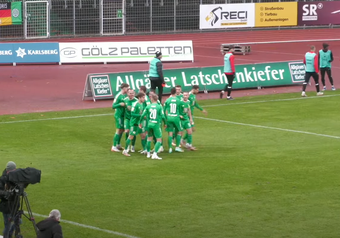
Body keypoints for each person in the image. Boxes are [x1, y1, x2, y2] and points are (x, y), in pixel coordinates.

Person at [139, 93, 166, 160]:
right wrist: (165, 123)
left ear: (152, 99)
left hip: (149, 124)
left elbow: (142, 115)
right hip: (156, 124)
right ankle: (154, 154)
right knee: (159, 140)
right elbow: (163, 116)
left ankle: (148, 153)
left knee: (149, 139)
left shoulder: (148, 106)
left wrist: (140, 122)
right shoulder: (159, 106)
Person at [122, 92, 146, 157]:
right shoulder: (135, 104)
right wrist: (141, 115)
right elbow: (132, 114)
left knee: (143, 135)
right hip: (134, 123)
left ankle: (145, 150)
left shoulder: (142, 104)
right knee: (131, 136)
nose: (144, 99)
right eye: (143, 97)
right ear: (139, 98)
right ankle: (125, 150)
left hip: (139, 123)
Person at [164, 87, 184, 153]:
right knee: (179, 132)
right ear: (175, 92)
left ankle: (170, 148)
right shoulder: (178, 100)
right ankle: (177, 147)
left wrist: (166, 118)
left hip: (169, 117)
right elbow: (181, 110)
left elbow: (165, 110)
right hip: (176, 118)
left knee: (170, 133)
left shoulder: (167, 100)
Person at [111, 83, 129, 152]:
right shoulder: (118, 96)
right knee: (118, 130)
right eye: (127, 88)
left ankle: (118, 144)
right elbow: (113, 106)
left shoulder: (124, 95)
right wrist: (120, 104)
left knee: (122, 130)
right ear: (124, 88)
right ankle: (114, 146)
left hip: (122, 115)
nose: (127, 89)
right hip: (118, 115)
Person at [1, 161, 17, 238]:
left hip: (14, 205)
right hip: (6, 206)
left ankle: (9, 235)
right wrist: (6, 193)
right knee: (8, 225)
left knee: (18, 222)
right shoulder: (3, 179)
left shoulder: (14, 176)